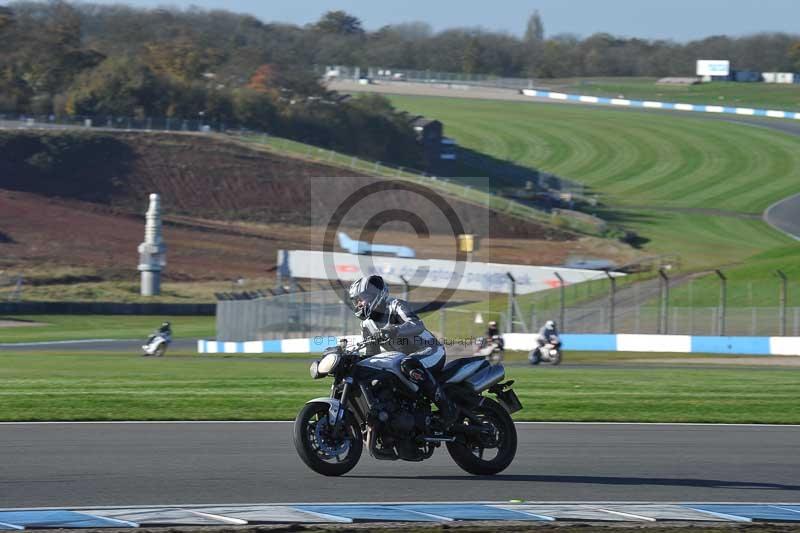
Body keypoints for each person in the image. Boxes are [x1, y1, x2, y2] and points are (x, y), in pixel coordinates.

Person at [348, 275, 457, 428]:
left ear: (374, 295)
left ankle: (447, 408)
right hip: (402, 361)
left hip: (430, 350)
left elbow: (416, 325)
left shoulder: (395, 305)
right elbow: (371, 354)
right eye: (356, 301)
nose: (358, 304)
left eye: (361, 299)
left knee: (408, 363)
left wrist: (394, 330)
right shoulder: (367, 324)